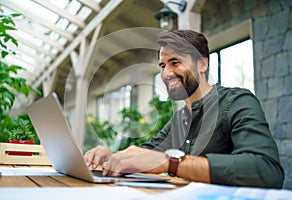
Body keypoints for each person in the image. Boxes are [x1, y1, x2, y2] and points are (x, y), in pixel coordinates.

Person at [84, 30, 284, 188]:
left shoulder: (237, 102)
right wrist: (112, 157)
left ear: (202, 64)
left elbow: (267, 171)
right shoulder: (180, 119)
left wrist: (171, 163)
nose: (166, 73)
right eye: (162, 65)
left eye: (175, 62)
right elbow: (147, 155)